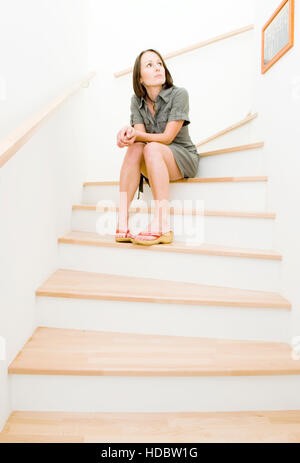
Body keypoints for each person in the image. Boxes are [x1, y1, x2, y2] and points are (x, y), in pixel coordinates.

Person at [116, 48, 199, 246]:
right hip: (153, 157)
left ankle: (162, 223)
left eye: (159, 63)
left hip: (181, 157)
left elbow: (168, 137)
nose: (157, 68)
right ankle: (122, 220)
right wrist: (126, 136)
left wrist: (136, 134)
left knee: (151, 147)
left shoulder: (179, 94)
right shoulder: (136, 101)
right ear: (140, 79)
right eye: (150, 65)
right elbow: (139, 139)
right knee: (136, 148)